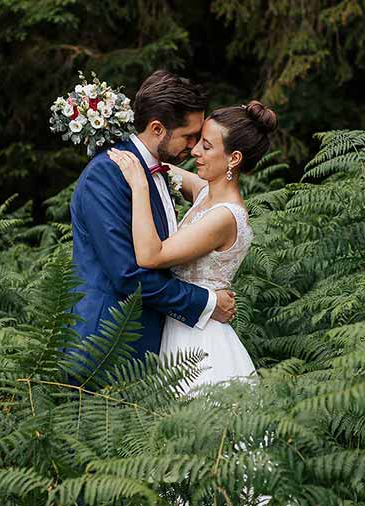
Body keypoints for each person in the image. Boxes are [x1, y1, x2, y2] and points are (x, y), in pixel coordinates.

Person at [67, 70, 237, 368]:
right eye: (189, 136)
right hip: (106, 345)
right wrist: (206, 303)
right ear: (157, 128)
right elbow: (128, 275)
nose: (194, 147)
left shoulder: (158, 172)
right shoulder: (106, 176)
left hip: (145, 341)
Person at [108, 99, 278, 391]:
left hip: (199, 342)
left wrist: (138, 186)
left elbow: (151, 255)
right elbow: (157, 163)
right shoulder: (205, 193)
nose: (195, 151)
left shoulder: (225, 216)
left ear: (234, 158)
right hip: (182, 325)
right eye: (197, 140)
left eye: (207, 146)